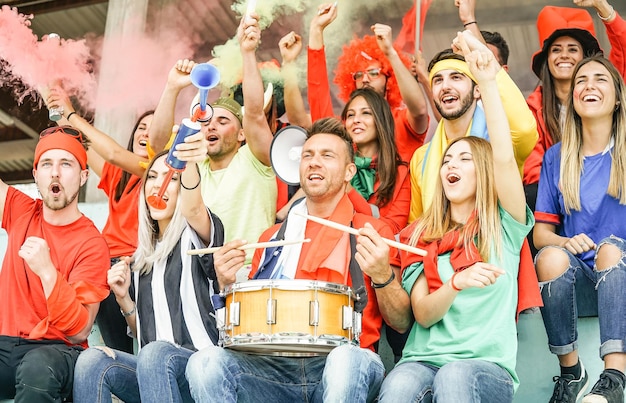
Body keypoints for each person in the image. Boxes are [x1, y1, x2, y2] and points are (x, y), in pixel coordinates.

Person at [186, 117, 400, 403]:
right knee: (205, 362)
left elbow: (400, 321)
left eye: (327, 156)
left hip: (347, 360)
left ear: (350, 171)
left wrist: (383, 275)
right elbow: (250, 324)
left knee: (345, 360)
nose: (313, 162)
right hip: (273, 366)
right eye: (307, 155)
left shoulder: (372, 231)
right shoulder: (272, 238)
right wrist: (226, 284)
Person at [378, 30, 534, 403]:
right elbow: (424, 314)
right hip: (422, 360)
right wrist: (457, 283)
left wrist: (488, 82)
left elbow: (503, 153)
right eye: (448, 159)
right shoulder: (420, 235)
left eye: (465, 159)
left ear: (483, 171)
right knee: (397, 387)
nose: (452, 163)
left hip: (483, 366)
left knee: (454, 376)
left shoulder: (503, 224)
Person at [72, 128, 224, 402]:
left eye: (170, 179)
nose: (158, 185)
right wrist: (124, 299)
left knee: (155, 353)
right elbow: (145, 332)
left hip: (199, 370)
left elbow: (193, 208)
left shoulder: (195, 233)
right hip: (153, 374)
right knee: (92, 360)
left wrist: (186, 159)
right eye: (152, 177)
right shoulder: (142, 258)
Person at [149, 19, 276, 274]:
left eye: (223, 121)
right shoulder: (196, 165)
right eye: (207, 121)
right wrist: (172, 87)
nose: (211, 126)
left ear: (242, 134)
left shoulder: (256, 160)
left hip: (254, 274)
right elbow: (157, 143)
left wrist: (247, 52)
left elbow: (253, 113)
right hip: (202, 278)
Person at [534, 56, 626, 403]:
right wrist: (566, 241)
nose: (589, 85)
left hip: (623, 273)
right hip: (587, 283)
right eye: (581, 81)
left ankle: (614, 377)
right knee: (549, 257)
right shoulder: (556, 157)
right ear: (572, 98)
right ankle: (572, 374)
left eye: (600, 79)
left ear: (617, 97)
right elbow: (541, 234)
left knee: (611, 249)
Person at [0, 126, 110, 401]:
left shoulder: (92, 243)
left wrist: (48, 272)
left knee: (37, 369)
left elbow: (80, 330)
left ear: (84, 176)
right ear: (36, 175)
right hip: (5, 343)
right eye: (47, 164)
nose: (55, 172)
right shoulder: (21, 210)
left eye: (66, 163)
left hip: (57, 350)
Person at [45, 90, 154, 354]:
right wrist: (58, 107)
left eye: (153, 129)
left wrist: (71, 112)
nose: (145, 134)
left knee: (147, 348)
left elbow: (114, 152)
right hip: (106, 267)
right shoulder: (119, 175)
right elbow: (82, 143)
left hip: (139, 265)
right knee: (119, 351)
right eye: (141, 127)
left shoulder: (158, 171)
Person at [523, 2, 626, 254]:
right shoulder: (532, 107)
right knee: (529, 196)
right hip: (559, 200)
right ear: (546, 59)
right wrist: (567, 183)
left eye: (573, 49)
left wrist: (604, 9)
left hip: (610, 195)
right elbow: (532, 166)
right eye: (556, 50)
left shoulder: (605, 91)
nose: (564, 56)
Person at [308, 2, 430, 162]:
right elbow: (319, 100)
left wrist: (390, 53)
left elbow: (420, 110)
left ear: (389, 79)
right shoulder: (347, 130)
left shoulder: (401, 123)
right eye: (358, 74)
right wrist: (316, 31)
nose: (365, 79)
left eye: (373, 72)